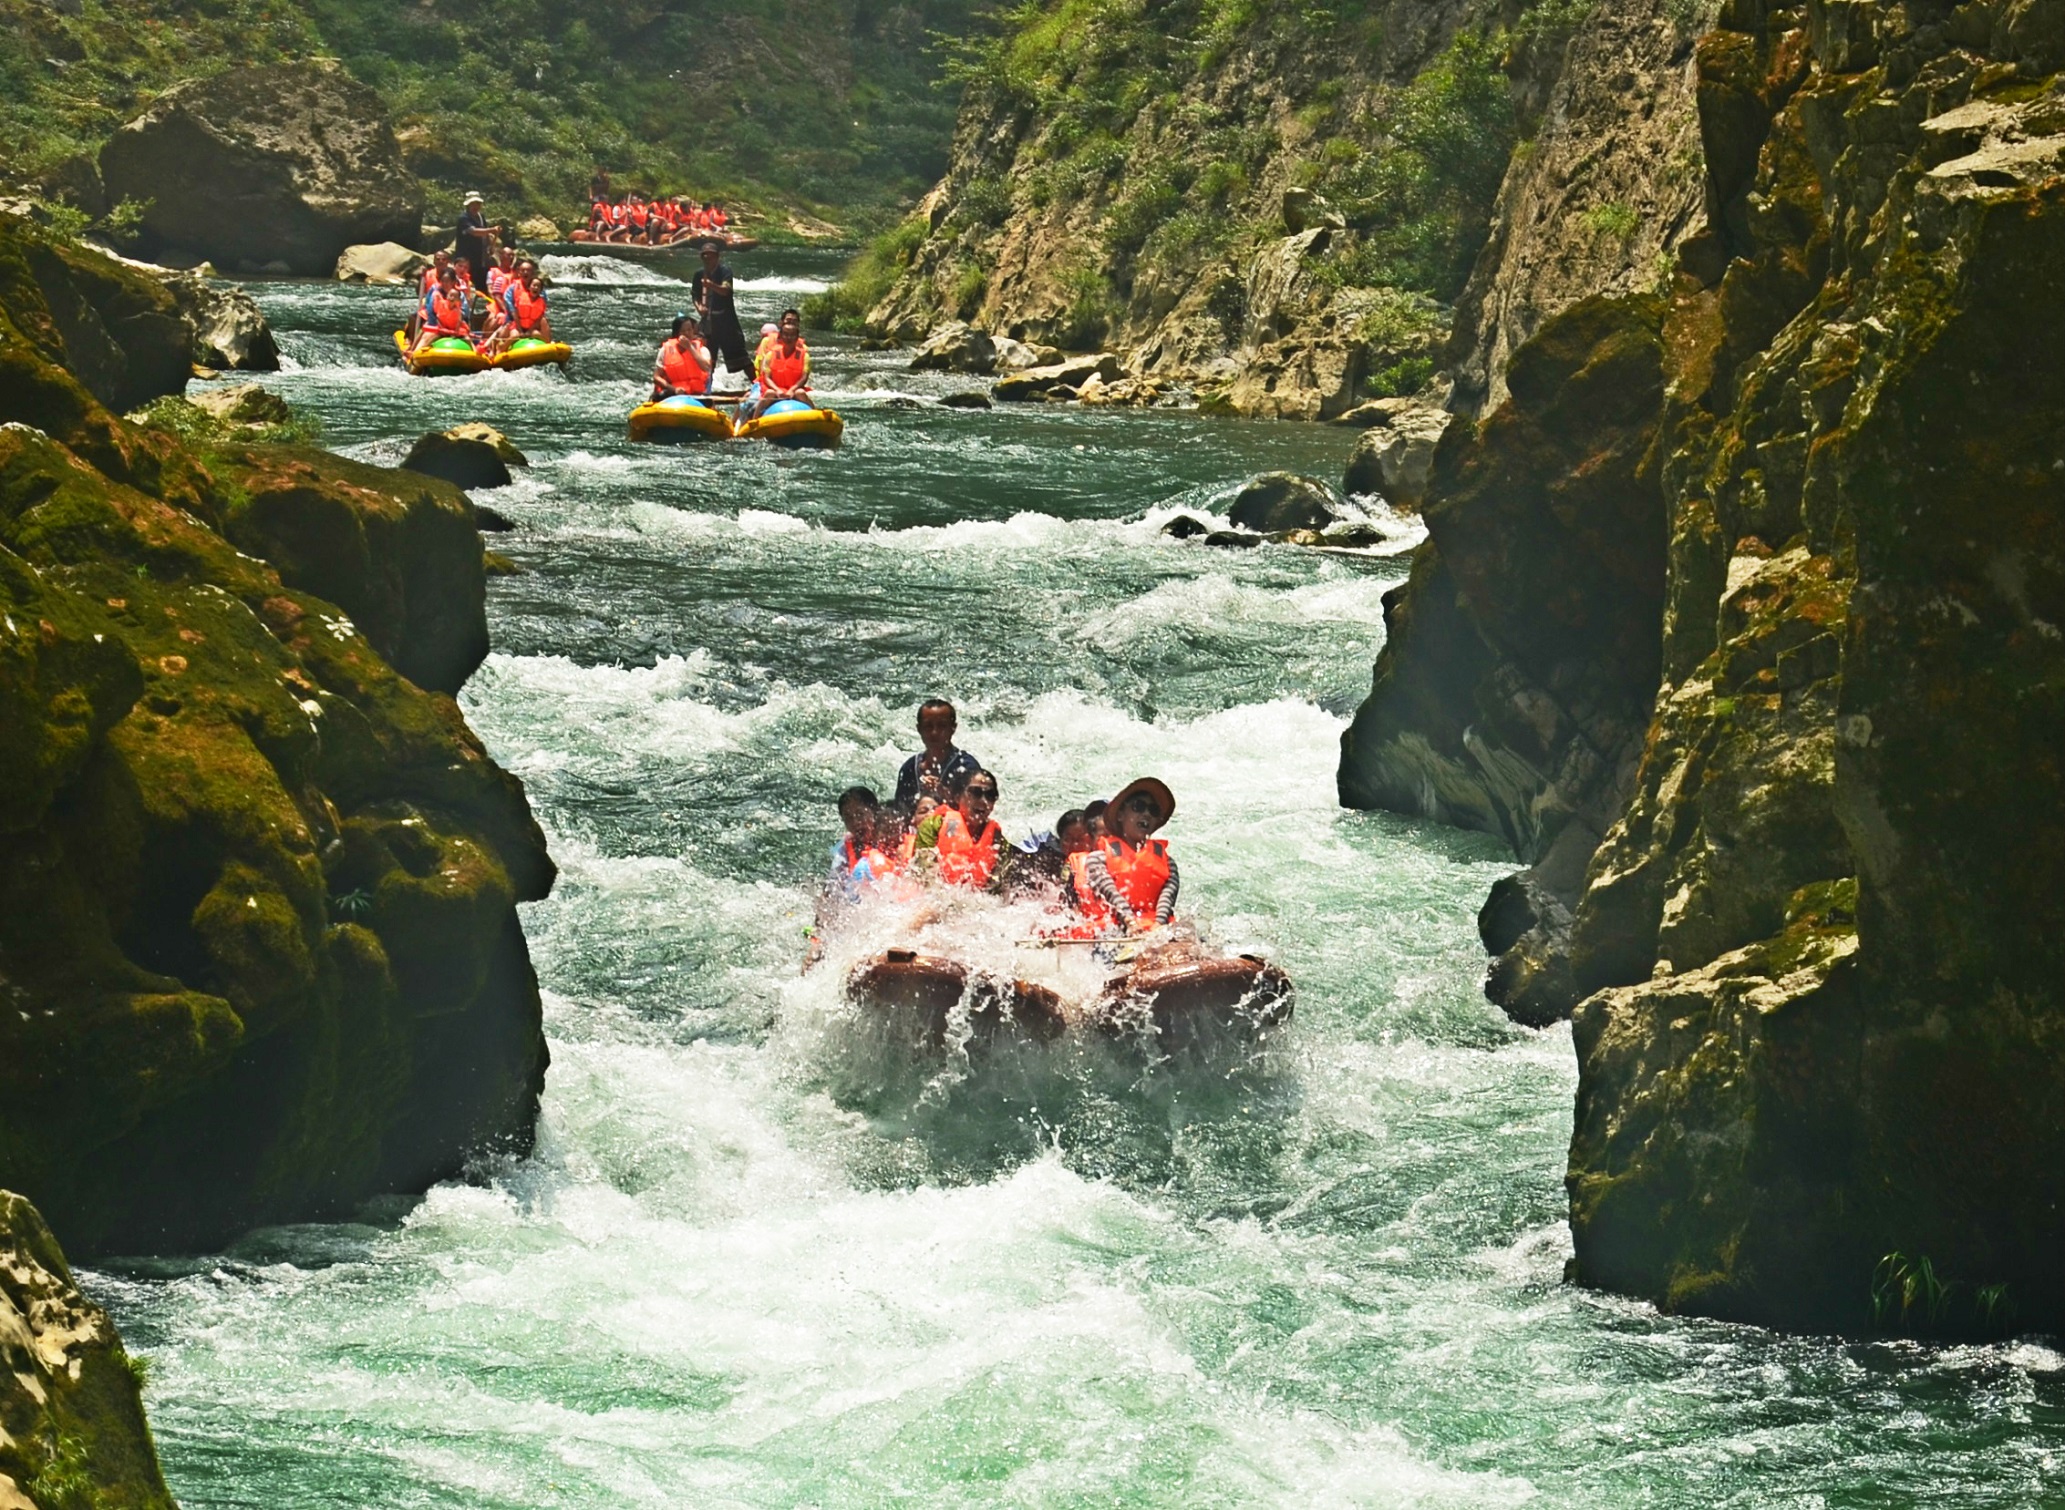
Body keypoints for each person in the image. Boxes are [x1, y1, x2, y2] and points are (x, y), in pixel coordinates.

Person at [1072, 778, 1179, 934]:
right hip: (1114, 929)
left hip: (1155, 928)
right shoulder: (1097, 859)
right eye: (1139, 807)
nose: (1146, 814)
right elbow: (1109, 892)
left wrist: (1158, 926)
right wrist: (1130, 922)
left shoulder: (1169, 863)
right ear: (1121, 815)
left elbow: (1167, 897)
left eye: (1153, 810)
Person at [909, 770, 1008, 889]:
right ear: (957, 797)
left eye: (990, 795)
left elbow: (1000, 886)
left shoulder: (997, 840)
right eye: (975, 792)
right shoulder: (933, 826)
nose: (983, 800)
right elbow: (923, 876)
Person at [893, 699, 983, 814]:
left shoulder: (967, 768)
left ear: (953, 728)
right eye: (928, 726)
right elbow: (899, 815)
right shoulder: (909, 769)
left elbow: (976, 814)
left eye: (941, 726)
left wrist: (944, 794)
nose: (934, 732)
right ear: (919, 729)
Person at [692, 239, 752, 381]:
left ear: (717, 257)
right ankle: (706, 389)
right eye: (704, 256)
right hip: (708, 324)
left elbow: (726, 290)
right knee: (707, 358)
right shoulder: (698, 274)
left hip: (727, 324)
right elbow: (695, 294)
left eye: (711, 255)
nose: (707, 258)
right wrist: (699, 307)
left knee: (741, 357)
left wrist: (711, 285)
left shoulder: (725, 271)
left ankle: (757, 385)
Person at [827, 787, 901, 899]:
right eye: (848, 818)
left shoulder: (894, 837)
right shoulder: (843, 853)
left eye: (860, 814)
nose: (855, 822)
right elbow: (830, 890)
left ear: (875, 811)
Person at [745, 309, 816, 419]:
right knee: (768, 394)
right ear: (781, 335)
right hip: (774, 388)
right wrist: (777, 390)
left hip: (793, 389)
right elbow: (766, 376)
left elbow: (804, 377)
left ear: (797, 337)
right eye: (786, 335)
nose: (789, 338)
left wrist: (792, 390)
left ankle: (816, 416)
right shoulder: (771, 354)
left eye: (792, 335)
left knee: (801, 392)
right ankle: (754, 420)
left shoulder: (804, 354)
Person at [1014, 808, 1091, 893]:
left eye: (1080, 839)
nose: (1074, 845)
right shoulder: (1046, 860)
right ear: (1060, 840)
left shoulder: (1100, 861)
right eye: (1068, 839)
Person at [485, 260, 551, 355]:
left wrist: (530, 329)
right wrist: (520, 330)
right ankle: (496, 349)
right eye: (523, 270)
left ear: (532, 273)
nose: (525, 273)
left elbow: (541, 313)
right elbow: (512, 311)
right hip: (514, 321)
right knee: (507, 329)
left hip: (533, 324)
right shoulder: (512, 289)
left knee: (544, 321)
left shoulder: (541, 291)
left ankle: (548, 345)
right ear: (519, 272)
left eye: (528, 270)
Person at [411, 265, 475, 354]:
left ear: (453, 282)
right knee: (426, 335)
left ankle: (476, 353)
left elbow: (464, 315)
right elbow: (432, 313)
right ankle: (414, 353)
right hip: (438, 326)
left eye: (448, 281)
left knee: (468, 338)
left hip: (455, 327)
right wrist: (440, 327)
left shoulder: (460, 295)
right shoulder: (436, 294)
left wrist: (454, 328)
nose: (445, 284)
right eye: (443, 281)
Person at [650, 312, 713, 400]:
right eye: (683, 331)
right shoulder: (665, 350)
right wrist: (674, 389)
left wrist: (690, 348)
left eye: (690, 330)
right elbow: (656, 377)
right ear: (677, 333)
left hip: (697, 395)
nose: (687, 333)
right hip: (673, 394)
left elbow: (706, 367)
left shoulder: (702, 350)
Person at [456, 192, 495, 288]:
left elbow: (485, 233)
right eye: (473, 204)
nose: (475, 206)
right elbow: (474, 232)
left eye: (477, 203)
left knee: (482, 285)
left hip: (481, 259)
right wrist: (492, 230)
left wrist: (490, 244)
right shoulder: (464, 218)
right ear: (468, 205)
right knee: (466, 284)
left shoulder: (481, 217)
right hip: (466, 260)